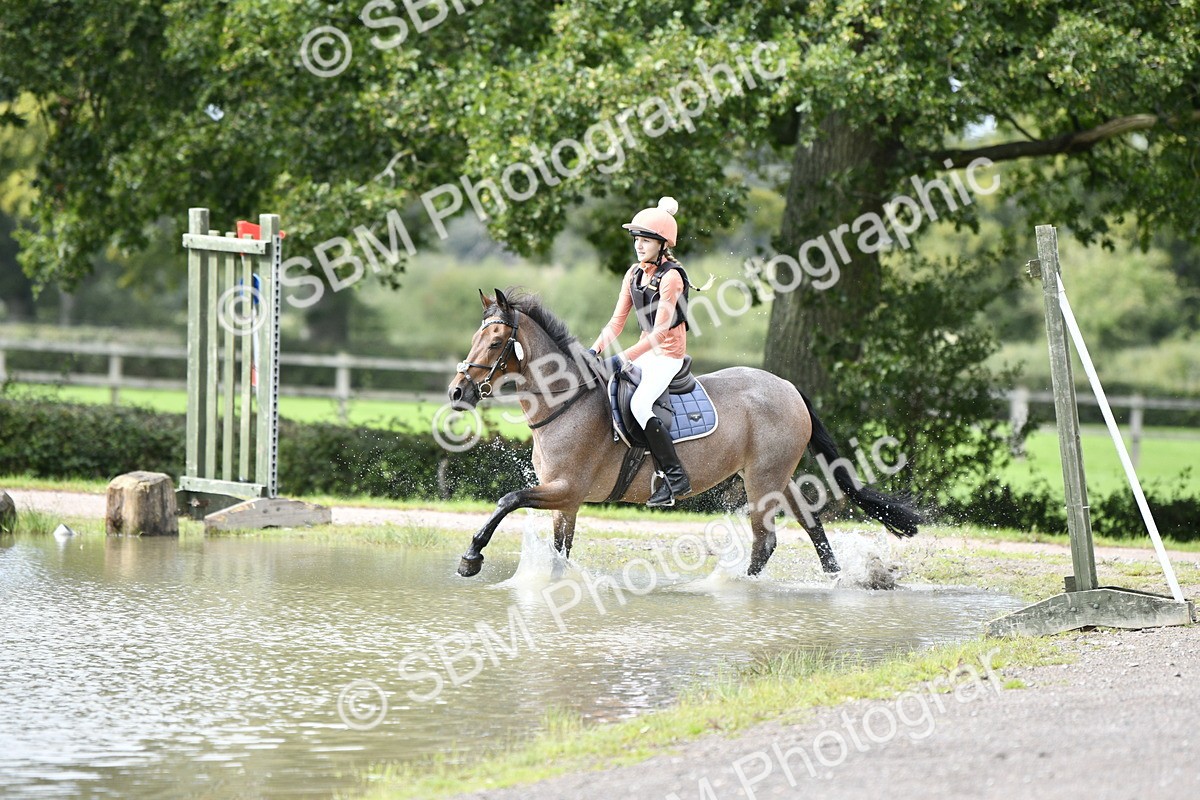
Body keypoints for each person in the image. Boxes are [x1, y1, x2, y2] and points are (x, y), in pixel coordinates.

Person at [589, 196, 694, 507]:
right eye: (637, 239)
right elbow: (616, 323)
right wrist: (593, 350)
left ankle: (675, 477)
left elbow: (660, 333)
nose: (639, 245)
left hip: (668, 356)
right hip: (646, 352)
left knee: (639, 403)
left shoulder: (671, 277)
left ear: (662, 244)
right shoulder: (634, 273)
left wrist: (622, 358)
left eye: (646, 240)